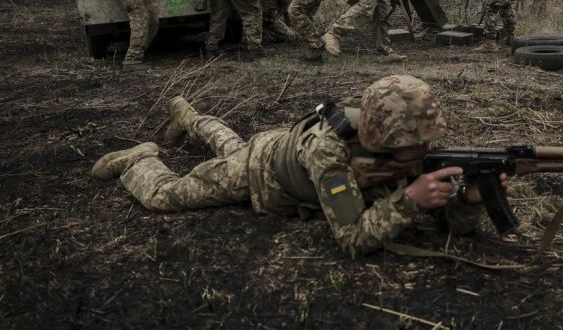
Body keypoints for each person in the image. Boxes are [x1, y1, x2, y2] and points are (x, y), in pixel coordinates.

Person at [91, 75, 507, 256]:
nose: (425, 149)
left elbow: (450, 225)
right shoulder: (332, 153)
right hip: (261, 170)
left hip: (282, 147)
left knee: (227, 143)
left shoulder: (410, 141)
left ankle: (189, 118)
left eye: (426, 141)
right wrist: (408, 202)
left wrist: (470, 200)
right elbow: (352, 238)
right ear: (385, 138)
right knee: (168, 196)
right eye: (414, 144)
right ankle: (139, 160)